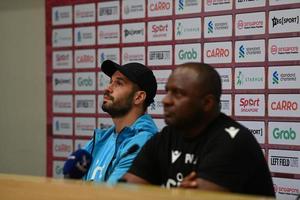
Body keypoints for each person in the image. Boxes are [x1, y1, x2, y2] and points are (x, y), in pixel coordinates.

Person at [123, 62, 275, 197]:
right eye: (168, 91)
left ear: (207, 103)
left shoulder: (233, 141)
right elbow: (126, 192)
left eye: (178, 93)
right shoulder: (167, 136)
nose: (166, 100)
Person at [83, 60, 158, 184]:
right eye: (110, 82)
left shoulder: (144, 142)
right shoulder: (103, 138)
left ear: (138, 97)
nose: (108, 88)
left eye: (119, 83)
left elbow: (115, 194)